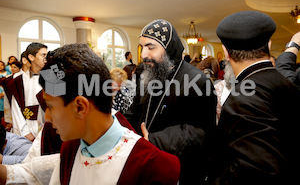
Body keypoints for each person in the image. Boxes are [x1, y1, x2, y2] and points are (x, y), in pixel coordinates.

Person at [0, 43, 181, 185]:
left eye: (50, 106)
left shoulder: (156, 167)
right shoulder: (70, 148)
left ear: (80, 107)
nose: (46, 117)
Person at [207, 11, 300, 185]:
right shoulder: (286, 84)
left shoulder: (243, 99)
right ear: (269, 45)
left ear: (226, 52)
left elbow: (254, 174)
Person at [124, 19, 217, 184]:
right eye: (142, 47)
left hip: (180, 170)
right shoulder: (146, 76)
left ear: (168, 49)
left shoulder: (198, 81)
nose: (143, 54)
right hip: (146, 164)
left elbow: (201, 133)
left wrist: (153, 139)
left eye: (151, 47)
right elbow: (134, 113)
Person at [9, 43, 47, 141]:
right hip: (28, 125)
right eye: (43, 55)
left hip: (49, 126)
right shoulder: (19, 80)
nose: (46, 58)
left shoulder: (52, 77)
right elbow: (16, 107)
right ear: (31, 57)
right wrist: (25, 132)